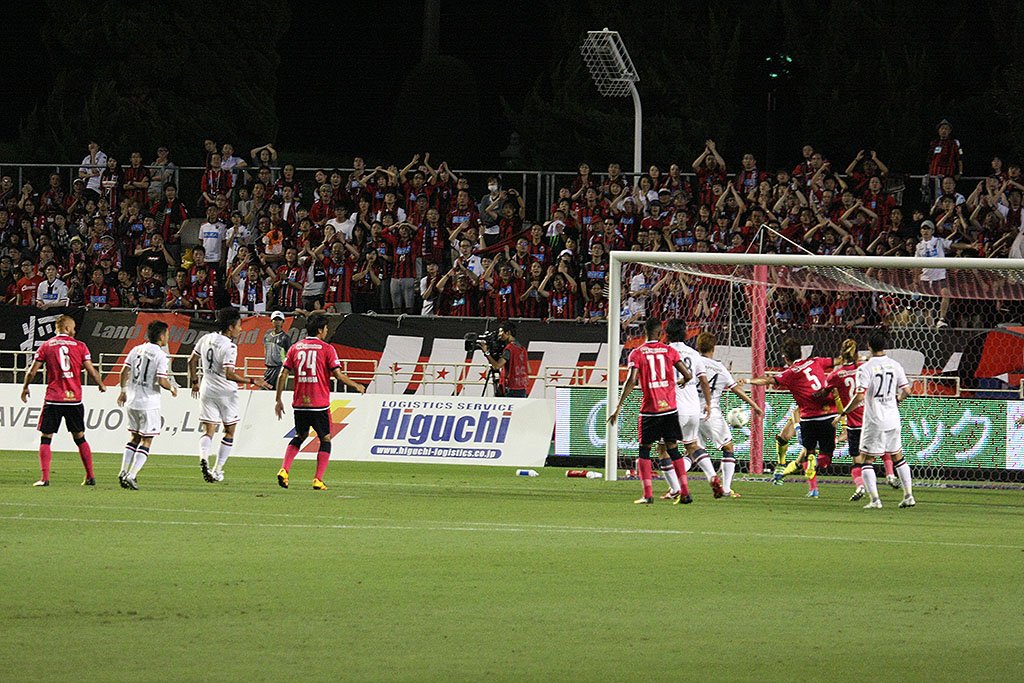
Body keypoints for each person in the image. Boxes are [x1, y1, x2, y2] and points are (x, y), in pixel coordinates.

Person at [608, 317, 694, 505]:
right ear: (660, 333)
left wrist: (618, 406)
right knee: (673, 449)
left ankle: (647, 494)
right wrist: (681, 381)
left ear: (645, 332)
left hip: (650, 410)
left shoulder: (637, 353)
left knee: (644, 450)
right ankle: (685, 492)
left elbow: (632, 381)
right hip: (669, 409)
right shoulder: (670, 351)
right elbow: (688, 374)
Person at [274, 313, 365, 490]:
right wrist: (356, 385)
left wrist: (278, 399)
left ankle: (284, 469)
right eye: (326, 328)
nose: (327, 331)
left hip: (300, 404)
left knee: (300, 436)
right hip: (319, 404)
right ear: (320, 330)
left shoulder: (295, 348)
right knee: (326, 439)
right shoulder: (327, 349)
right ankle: (318, 479)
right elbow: (338, 375)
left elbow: (283, 374)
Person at [743, 338, 836, 498]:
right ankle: (784, 466)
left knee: (806, 454)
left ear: (785, 358)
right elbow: (838, 361)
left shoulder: (790, 373)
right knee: (786, 439)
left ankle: (799, 479)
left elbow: (769, 379)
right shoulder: (816, 361)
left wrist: (748, 381)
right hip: (825, 412)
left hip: (810, 415)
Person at [20, 314, 106, 486]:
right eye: (73, 328)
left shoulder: (46, 345)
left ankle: (45, 478)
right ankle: (90, 476)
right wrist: (100, 384)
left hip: (54, 399)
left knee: (46, 437)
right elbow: (91, 370)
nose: (74, 330)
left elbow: (32, 371)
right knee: (80, 437)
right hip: (74, 399)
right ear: (67, 328)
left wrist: (25, 387)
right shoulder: (80, 346)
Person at [189, 308, 271, 483]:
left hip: (207, 389)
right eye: (239, 326)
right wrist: (252, 380)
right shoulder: (230, 347)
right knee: (229, 431)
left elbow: (191, 360)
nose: (240, 329)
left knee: (208, 431)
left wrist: (195, 382)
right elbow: (229, 374)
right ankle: (217, 470)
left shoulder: (206, 338)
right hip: (226, 393)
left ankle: (204, 458)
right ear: (230, 327)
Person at [834, 332, 915, 509]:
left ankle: (875, 500)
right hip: (893, 418)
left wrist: (844, 412)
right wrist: (896, 400)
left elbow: (859, 396)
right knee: (898, 457)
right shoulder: (895, 365)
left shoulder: (866, 368)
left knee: (866, 460)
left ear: (869, 346)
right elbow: (907, 390)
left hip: (875, 420)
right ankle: (909, 496)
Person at [695, 332, 762, 498]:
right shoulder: (719, 368)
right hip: (710, 413)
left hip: (689, 412)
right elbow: (735, 389)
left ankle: (675, 488)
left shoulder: (692, 362)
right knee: (728, 448)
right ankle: (725, 488)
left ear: (698, 346)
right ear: (713, 348)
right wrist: (754, 405)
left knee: (693, 450)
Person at [661, 319, 718, 500]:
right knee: (692, 445)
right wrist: (708, 403)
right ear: (686, 334)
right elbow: (704, 381)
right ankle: (712, 476)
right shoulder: (694, 354)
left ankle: (675, 489)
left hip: (673, 407)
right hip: (693, 407)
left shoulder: (664, 352)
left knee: (663, 449)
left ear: (667, 334)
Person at [116, 321, 178, 489]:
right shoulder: (161, 355)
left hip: (132, 401)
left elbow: (123, 371)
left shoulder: (136, 349)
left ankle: (123, 471)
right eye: (167, 334)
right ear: (161, 336)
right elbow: (162, 380)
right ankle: (131, 475)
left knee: (134, 438)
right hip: (148, 403)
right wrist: (172, 388)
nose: (168, 337)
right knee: (147, 440)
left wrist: (123, 391)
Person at [481, 320, 529, 398]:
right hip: (522, 387)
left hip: (511, 389)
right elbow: (528, 369)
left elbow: (496, 366)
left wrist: (486, 352)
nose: (499, 334)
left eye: (501, 331)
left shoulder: (509, 348)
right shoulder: (522, 349)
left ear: (508, 333)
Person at [263, 310, 293, 389]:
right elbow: (265, 350)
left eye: (279, 320)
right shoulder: (267, 337)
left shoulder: (285, 338)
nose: (277, 322)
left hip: (279, 368)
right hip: (269, 368)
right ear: (271, 321)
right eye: (275, 319)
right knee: (265, 390)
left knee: (277, 389)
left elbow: (290, 354)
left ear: (283, 322)